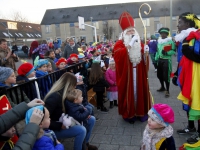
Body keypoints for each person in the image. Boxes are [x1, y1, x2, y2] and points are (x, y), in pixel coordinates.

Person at [113, 11, 151, 123]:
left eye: (132, 30)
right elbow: (118, 55)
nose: (131, 32)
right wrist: (129, 45)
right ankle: (129, 114)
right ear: (124, 33)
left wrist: (146, 53)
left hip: (139, 73)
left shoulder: (140, 43)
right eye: (128, 31)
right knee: (128, 93)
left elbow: (145, 60)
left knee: (140, 91)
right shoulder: (120, 43)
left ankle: (141, 112)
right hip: (127, 74)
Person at [174, 12, 200, 144]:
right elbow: (181, 59)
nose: (178, 26)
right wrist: (177, 73)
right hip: (185, 74)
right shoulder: (184, 37)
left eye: (180, 23)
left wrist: (186, 49)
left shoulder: (195, 36)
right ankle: (191, 127)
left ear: (188, 24)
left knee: (197, 102)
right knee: (188, 101)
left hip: (196, 76)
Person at [44, 72, 87, 150]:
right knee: (81, 130)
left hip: (65, 122)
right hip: (53, 129)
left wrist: (82, 112)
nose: (75, 87)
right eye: (74, 85)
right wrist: (60, 126)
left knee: (90, 120)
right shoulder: (54, 97)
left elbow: (72, 109)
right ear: (69, 85)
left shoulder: (65, 94)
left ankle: (85, 145)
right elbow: (43, 120)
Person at [155, 27, 176, 98]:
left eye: (165, 33)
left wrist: (167, 53)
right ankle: (162, 87)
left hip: (166, 60)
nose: (163, 35)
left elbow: (173, 51)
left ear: (167, 34)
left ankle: (167, 90)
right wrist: (156, 58)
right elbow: (158, 51)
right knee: (159, 75)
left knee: (166, 76)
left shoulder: (170, 41)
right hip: (159, 60)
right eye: (162, 33)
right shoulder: (159, 41)